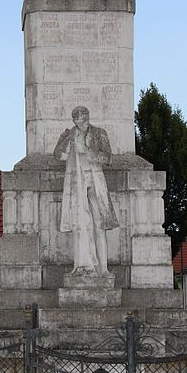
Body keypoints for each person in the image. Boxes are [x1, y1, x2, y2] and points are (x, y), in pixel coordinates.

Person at [53, 106, 119, 276]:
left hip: (95, 181)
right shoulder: (68, 134)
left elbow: (108, 158)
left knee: (99, 225)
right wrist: (69, 142)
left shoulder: (99, 133)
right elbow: (58, 156)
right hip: (77, 182)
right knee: (80, 224)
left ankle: (103, 268)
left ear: (88, 118)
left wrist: (88, 152)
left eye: (84, 118)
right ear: (74, 120)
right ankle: (82, 264)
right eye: (77, 119)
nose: (81, 122)